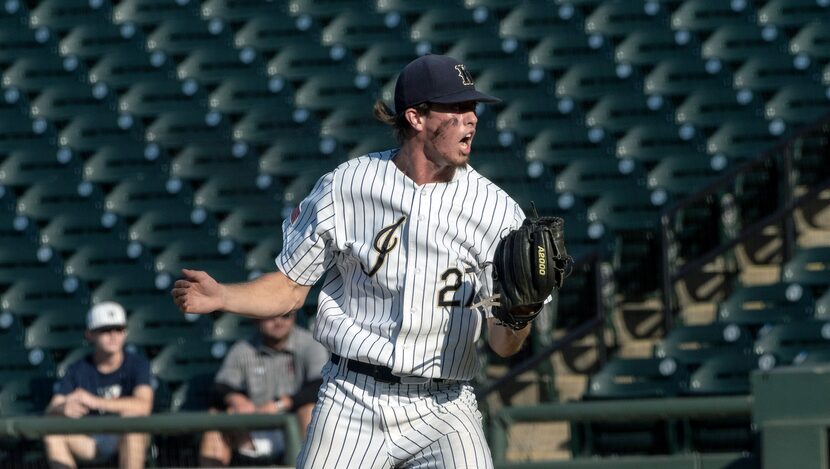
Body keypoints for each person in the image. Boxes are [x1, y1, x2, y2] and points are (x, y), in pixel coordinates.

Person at [172, 54, 536, 468]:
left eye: (472, 107)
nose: (471, 118)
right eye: (455, 107)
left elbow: (503, 344)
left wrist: (520, 314)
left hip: (446, 404)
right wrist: (223, 296)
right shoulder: (347, 185)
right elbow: (290, 288)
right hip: (353, 397)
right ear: (416, 117)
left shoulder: (497, 211)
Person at [198, 312, 329, 466]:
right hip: (256, 425)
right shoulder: (244, 349)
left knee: (309, 410)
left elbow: (321, 386)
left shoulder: (310, 344)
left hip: (296, 427)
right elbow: (220, 387)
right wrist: (236, 399)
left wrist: (280, 404)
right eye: (271, 316)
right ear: (256, 319)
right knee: (217, 418)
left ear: (294, 316)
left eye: (286, 315)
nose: (279, 322)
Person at [44, 301, 153, 469]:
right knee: (52, 432)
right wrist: (62, 408)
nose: (113, 335)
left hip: (123, 435)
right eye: (105, 330)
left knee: (133, 425)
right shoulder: (77, 369)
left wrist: (95, 401)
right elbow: (51, 409)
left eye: (118, 329)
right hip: (89, 438)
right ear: (90, 334)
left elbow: (143, 406)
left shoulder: (138, 364)